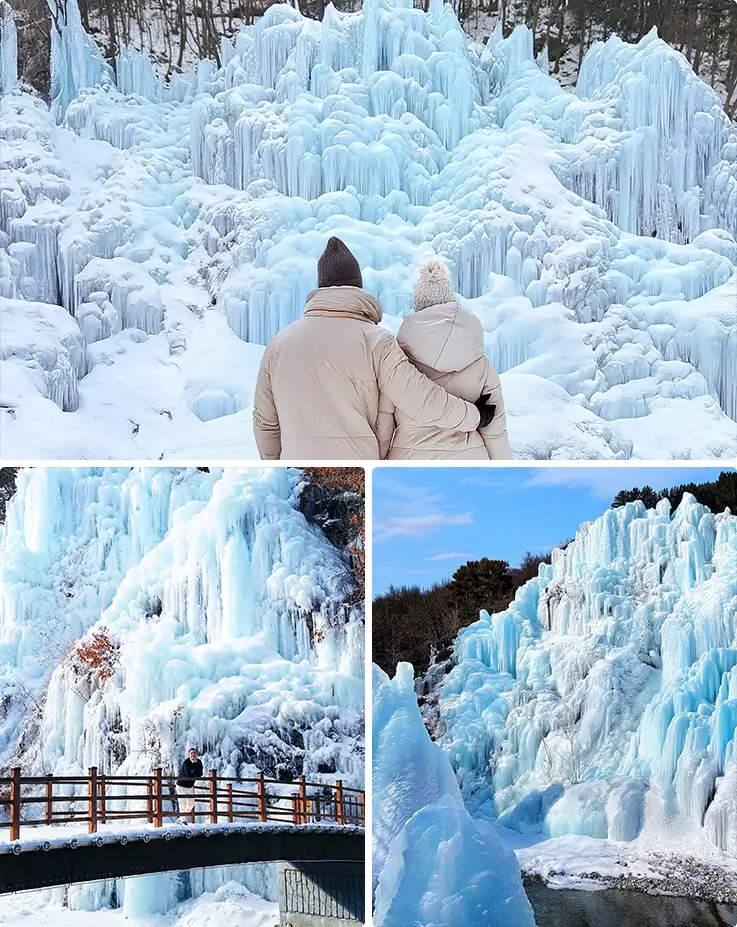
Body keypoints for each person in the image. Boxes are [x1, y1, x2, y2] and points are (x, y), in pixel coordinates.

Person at [252, 237, 495, 459]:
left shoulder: (278, 344)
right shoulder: (376, 341)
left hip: (299, 468)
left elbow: (265, 423)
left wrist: (275, 469)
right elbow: (420, 399)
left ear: (320, 286)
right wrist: (474, 416)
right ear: (358, 285)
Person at [380, 259, 511, 459]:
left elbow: (384, 423)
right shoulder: (481, 365)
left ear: (418, 306)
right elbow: (495, 430)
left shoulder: (398, 361)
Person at [176, 747, 204, 824]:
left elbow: (200, 774)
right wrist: (195, 772)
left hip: (190, 786)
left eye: (194, 753)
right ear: (189, 755)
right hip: (181, 785)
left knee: (191, 803)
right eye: (191, 753)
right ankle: (182, 820)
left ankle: (180, 819)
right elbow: (189, 774)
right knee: (183, 803)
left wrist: (193, 772)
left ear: (197, 754)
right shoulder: (186, 762)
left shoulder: (199, 762)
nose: (193, 755)